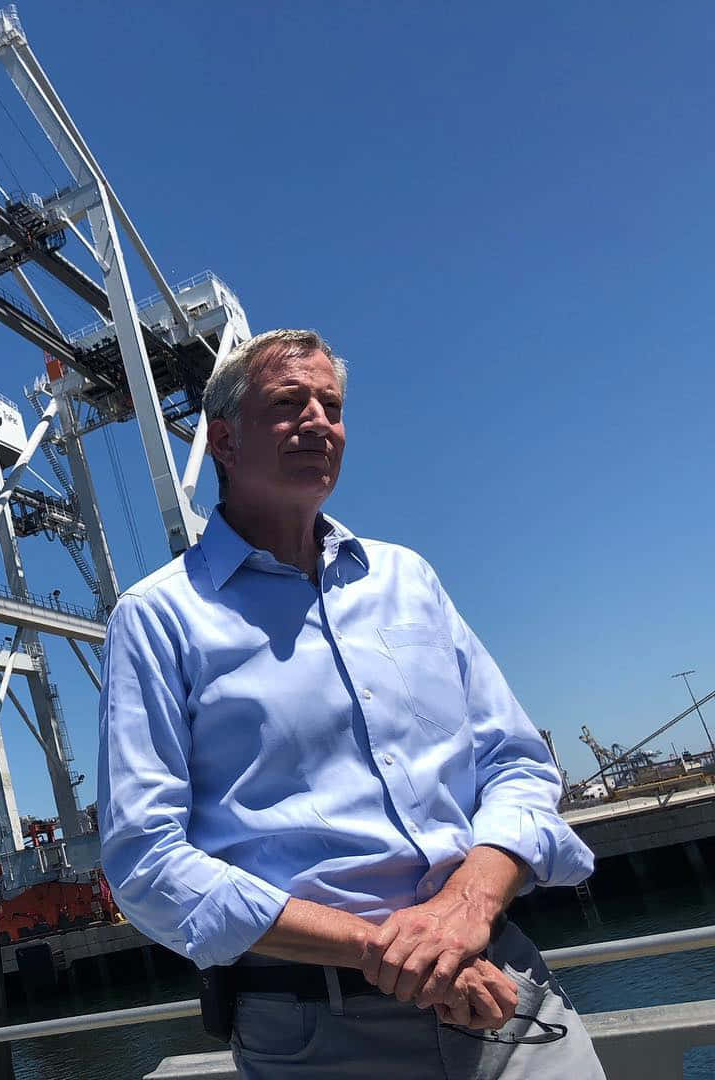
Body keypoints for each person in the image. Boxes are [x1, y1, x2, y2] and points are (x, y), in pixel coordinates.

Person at [97, 329, 602, 1077]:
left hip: (504, 982)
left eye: (331, 405)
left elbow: (516, 764)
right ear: (224, 441)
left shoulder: (409, 580)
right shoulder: (157, 618)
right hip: (321, 1033)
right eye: (288, 402)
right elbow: (146, 858)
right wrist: (388, 950)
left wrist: (466, 907)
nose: (318, 421)